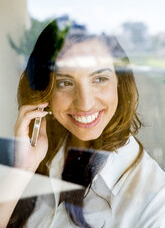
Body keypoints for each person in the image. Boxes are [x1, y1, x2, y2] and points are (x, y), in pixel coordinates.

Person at [1, 19, 165, 228]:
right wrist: (22, 170)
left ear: (119, 82)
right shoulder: (37, 157)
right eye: (65, 83)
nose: (85, 103)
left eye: (99, 79)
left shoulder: (156, 204)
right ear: (45, 91)